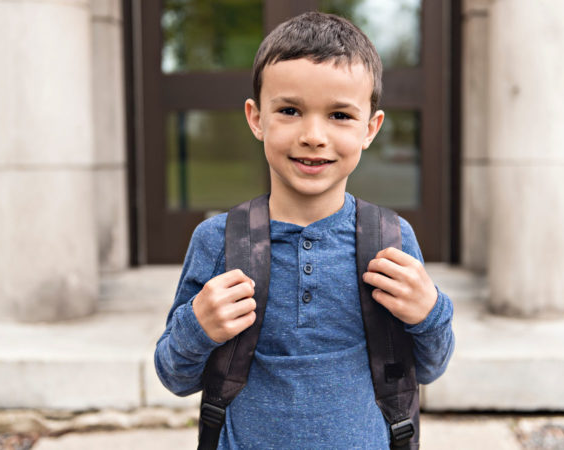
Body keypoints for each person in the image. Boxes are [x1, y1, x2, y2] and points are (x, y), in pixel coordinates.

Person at [155, 11, 454, 449]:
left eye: (339, 115)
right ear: (257, 118)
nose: (313, 136)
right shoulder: (218, 241)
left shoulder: (391, 238)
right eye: (290, 110)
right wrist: (198, 326)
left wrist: (430, 312)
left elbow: (429, 368)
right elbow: (175, 376)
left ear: (370, 128)